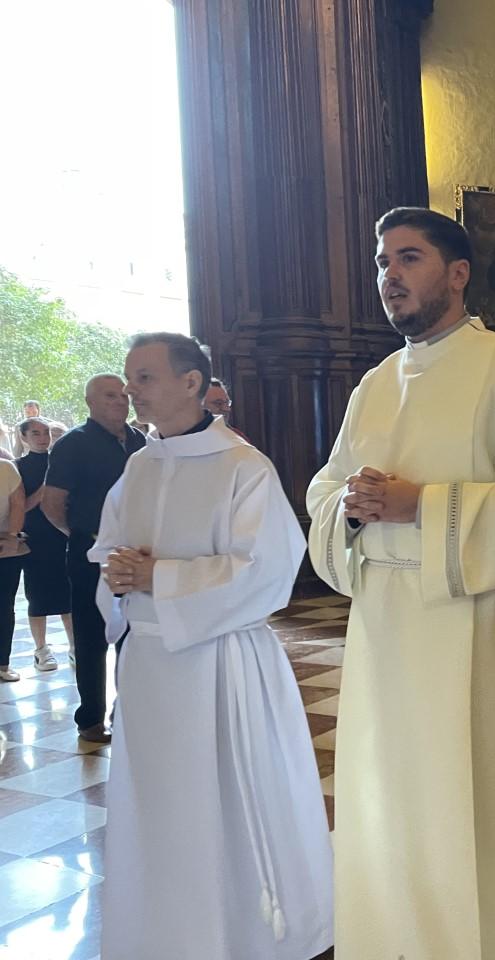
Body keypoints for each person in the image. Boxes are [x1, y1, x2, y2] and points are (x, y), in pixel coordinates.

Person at [306, 207, 495, 959]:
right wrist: (350, 507)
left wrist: (423, 506)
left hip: (482, 631)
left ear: (459, 273)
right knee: (399, 797)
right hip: (388, 633)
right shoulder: (373, 385)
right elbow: (326, 488)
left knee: (487, 803)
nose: (389, 276)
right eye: (383, 262)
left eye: (409, 258)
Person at [89, 332, 332, 959]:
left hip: (221, 663)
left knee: (226, 799)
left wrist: (160, 577)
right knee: (159, 802)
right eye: (128, 378)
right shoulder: (139, 466)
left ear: (191, 382)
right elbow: (109, 548)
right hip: (149, 665)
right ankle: (165, 934)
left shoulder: (244, 467)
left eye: (144, 377)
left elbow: (268, 570)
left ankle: (249, 935)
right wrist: (118, 574)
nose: (131, 389)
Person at [42, 374, 147, 742]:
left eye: (123, 395)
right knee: (91, 637)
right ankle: (90, 719)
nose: (120, 401)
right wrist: (88, 538)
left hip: (135, 556)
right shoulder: (73, 444)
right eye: (109, 396)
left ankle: (127, 710)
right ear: (89, 402)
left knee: (134, 635)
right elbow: (52, 504)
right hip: (89, 554)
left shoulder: (140, 442)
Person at [16, 418, 71, 672]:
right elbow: (21, 507)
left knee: (68, 593)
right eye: (35, 433)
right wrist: (44, 490)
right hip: (35, 538)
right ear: (24, 438)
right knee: (37, 595)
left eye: (46, 432)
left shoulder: (60, 462)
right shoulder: (18, 467)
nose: (42, 438)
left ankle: (75, 647)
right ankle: (41, 650)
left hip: (62, 535)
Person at [0, 457, 26, 681]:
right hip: (5, 545)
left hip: (4, 547)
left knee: (4, 606)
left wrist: (11, 538)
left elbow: (18, 503)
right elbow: (18, 503)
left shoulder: (6, 467)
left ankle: (2, 664)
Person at [204, 377, 250, 442]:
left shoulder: (239, 437)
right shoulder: (191, 439)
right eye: (219, 403)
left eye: (227, 403)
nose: (227, 409)